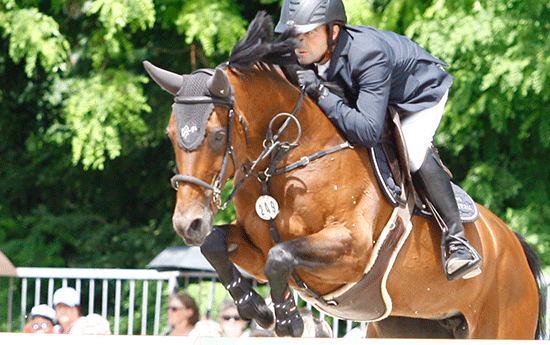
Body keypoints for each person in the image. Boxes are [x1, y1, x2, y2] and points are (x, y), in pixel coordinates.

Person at [275, 0, 482, 281]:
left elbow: (368, 131)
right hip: (368, 93)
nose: (298, 43)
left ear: (333, 31)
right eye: (293, 35)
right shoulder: (304, 52)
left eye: (308, 34)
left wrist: (320, 93)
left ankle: (457, 241)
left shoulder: (367, 55)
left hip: (418, 95)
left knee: (413, 152)